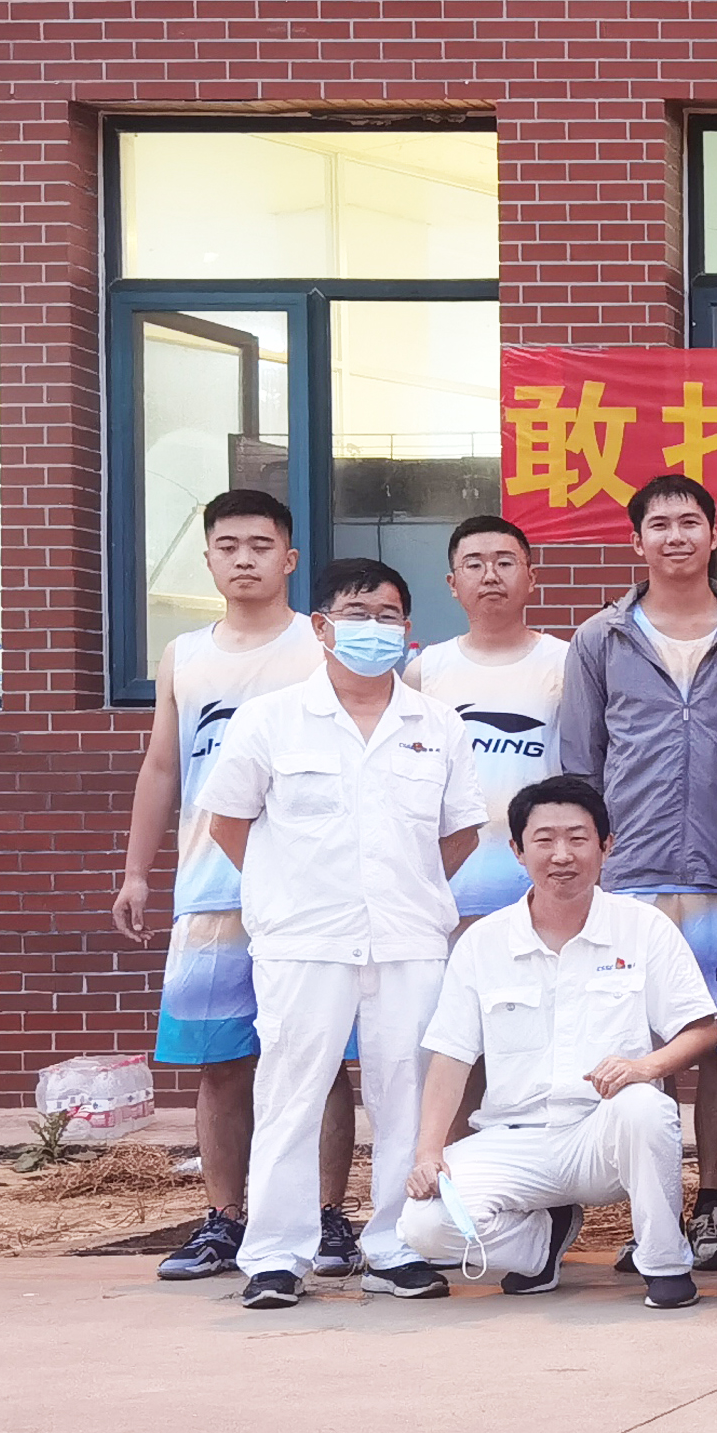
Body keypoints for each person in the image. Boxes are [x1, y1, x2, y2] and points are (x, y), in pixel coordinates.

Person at [196, 557, 487, 1308]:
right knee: (291, 1094)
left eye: (389, 617)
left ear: (408, 631)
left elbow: (460, 832)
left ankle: (396, 1246)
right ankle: (276, 1257)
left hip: (408, 940)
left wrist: (403, 887)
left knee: (408, 1097)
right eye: (358, 615)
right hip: (304, 941)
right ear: (322, 628)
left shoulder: (438, 725)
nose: (374, 629)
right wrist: (288, 890)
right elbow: (228, 822)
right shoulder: (271, 719)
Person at [108, 490, 347, 1283]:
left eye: (260, 545)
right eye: (228, 546)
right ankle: (224, 1219)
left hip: (310, 895)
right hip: (212, 892)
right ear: (208, 558)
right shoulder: (185, 655)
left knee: (319, 1059)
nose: (244, 559)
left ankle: (328, 1217)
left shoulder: (321, 646)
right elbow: (162, 767)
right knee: (221, 1064)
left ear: (290, 559)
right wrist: (138, 872)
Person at [558, 472, 717, 1271]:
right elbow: (578, 766)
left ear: (715, 537)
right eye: (660, 525)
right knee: (637, 1047)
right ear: (636, 541)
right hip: (632, 878)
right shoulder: (600, 639)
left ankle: (712, 1205)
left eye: (691, 522)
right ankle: (651, 1214)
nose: (676, 536)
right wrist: (584, 872)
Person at [400, 775, 717, 1308]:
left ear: (606, 846)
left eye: (578, 838)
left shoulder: (644, 928)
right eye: (544, 840)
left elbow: (702, 1029)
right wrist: (428, 1152)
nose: (562, 855)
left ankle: (664, 1262)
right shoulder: (483, 943)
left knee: (646, 1108)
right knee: (423, 1226)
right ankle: (539, 1243)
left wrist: (644, 1068)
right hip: (513, 1138)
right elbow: (451, 1055)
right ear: (518, 850)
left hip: (603, 1135)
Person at [409, 516, 568, 927]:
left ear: (532, 578)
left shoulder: (566, 662)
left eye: (505, 563)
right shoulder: (424, 671)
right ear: (452, 583)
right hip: (449, 887)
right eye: (474, 564)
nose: (490, 575)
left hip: (542, 884)